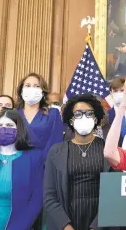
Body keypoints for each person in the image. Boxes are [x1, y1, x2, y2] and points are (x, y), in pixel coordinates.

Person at [44, 94, 109, 230]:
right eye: (78, 114)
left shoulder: (108, 150)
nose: (84, 117)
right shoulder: (56, 151)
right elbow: (49, 195)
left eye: (89, 114)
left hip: (101, 218)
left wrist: (97, 226)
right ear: (71, 120)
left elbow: (115, 193)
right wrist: (66, 226)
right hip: (67, 218)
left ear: (96, 118)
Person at [16, 73, 64, 159]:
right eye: (27, 85)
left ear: (43, 92)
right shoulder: (13, 114)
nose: (31, 89)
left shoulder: (53, 114)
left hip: (44, 164)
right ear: (21, 91)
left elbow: (55, 142)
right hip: (16, 163)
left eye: (36, 86)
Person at [107, 77, 126, 146]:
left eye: (122, 90)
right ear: (111, 93)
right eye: (115, 91)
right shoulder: (106, 115)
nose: (119, 94)